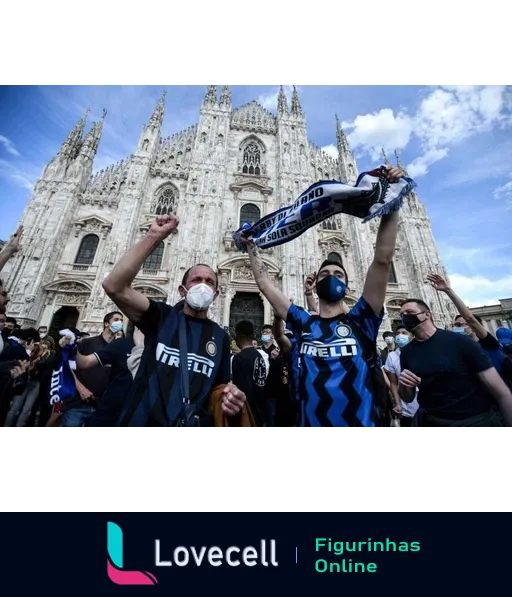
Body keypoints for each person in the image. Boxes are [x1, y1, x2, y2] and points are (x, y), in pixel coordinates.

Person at [241, 166, 405, 428]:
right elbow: (264, 284)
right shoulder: (304, 324)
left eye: (338, 274)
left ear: (348, 288)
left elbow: (382, 260)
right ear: (315, 285)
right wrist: (251, 247)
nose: (331, 276)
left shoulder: (362, 321)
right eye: (325, 274)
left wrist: (393, 200)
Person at [102, 213, 247, 429]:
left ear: (216, 294)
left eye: (209, 282)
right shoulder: (162, 317)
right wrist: (154, 236)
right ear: (182, 290)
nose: (203, 285)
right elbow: (114, 286)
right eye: (196, 280)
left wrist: (232, 397)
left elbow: (219, 388)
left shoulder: (220, 337)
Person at [398, 298, 512, 430]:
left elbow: (500, 390)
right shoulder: (407, 352)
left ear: (427, 314)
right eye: (402, 315)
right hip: (432, 422)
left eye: (409, 312)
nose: (405, 317)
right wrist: (403, 385)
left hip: (473, 422)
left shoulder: (460, 342)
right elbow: (407, 397)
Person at [427, 273, 512, 386]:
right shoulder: (457, 350)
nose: (459, 327)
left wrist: (448, 290)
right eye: (456, 325)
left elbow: (470, 318)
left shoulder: (488, 344)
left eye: (463, 324)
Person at [62, 313, 123, 428]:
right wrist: (81, 388)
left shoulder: (119, 347)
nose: (119, 323)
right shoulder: (87, 343)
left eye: (121, 320)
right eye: (116, 319)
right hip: (79, 403)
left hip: (103, 406)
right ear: (106, 323)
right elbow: (68, 367)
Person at [75, 326, 136, 429]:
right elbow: (85, 362)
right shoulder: (122, 344)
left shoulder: (159, 348)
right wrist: (71, 347)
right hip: (109, 411)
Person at [231, 320, 267, 427]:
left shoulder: (239, 358)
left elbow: (242, 390)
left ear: (239, 335)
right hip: (260, 410)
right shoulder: (259, 356)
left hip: (246, 413)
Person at [383, 326, 419, 431]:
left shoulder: (423, 352)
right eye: (398, 333)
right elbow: (393, 383)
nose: (400, 335)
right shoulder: (392, 356)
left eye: (404, 333)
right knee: (401, 427)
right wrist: (397, 403)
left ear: (412, 336)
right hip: (405, 405)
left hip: (424, 402)